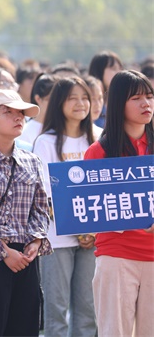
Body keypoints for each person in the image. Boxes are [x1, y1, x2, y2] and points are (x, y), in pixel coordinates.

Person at [0, 89, 52, 336]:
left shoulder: (31, 160)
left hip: (26, 256)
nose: (18, 118)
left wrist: (36, 241)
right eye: (9, 112)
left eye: (21, 113)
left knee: (26, 328)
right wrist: (4, 252)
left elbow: (41, 206)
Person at [83, 70, 154, 337]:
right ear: (118, 104)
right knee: (115, 332)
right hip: (117, 255)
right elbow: (91, 208)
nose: (146, 103)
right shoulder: (98, 152)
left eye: (149, 96)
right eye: (136, 98)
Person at [32, 77, 98, 337]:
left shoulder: (98, 139)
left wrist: (91, 231)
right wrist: (78, 228)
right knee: (56, 310)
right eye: (73, 97)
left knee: (87, 310)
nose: (80, 103)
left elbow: (103, 192)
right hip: (56, 239)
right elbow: (46, 194)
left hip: (93, 239)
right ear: (59, 102)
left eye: (85, 97)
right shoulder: (45, 142)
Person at [18, 73, 58, 149]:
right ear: (38, 99)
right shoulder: (26, 131)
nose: (55, 104)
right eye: (51, 100)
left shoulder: (63, 128)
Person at [87, 50, 124, 128]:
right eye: (113, 68)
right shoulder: (86, 102)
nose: (119, 72)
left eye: (120, 68)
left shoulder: (122, 101)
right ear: (99, 71)